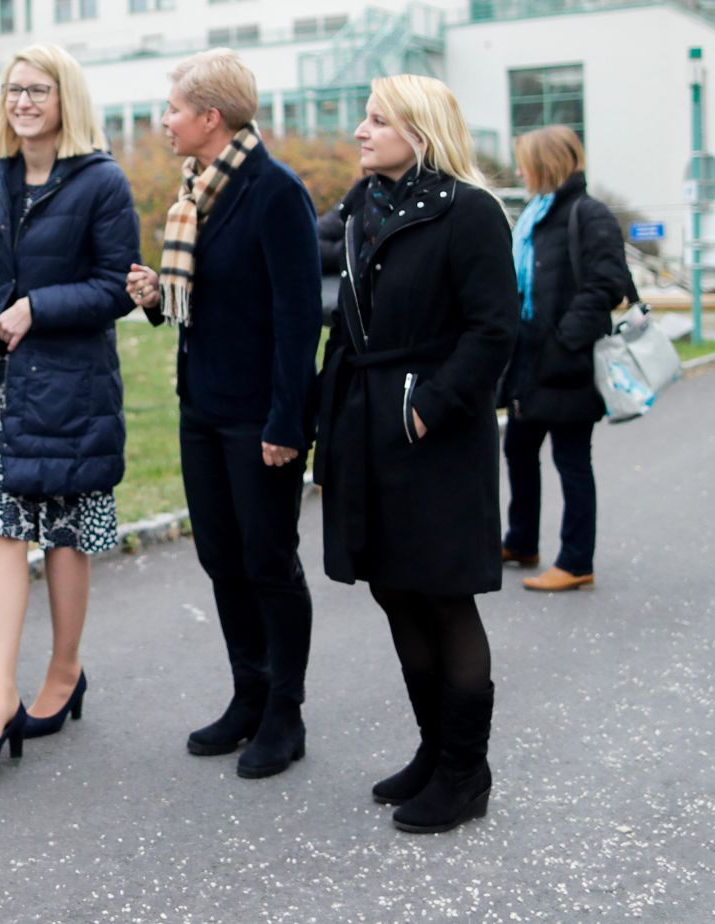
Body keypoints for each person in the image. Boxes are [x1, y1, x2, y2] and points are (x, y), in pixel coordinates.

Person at [314, 75, 518, 833]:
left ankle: (467, 773)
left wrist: (430, 406)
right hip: (368, 424)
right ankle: (436, 752)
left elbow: (494, 329)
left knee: (441, 594)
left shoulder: (471, 212)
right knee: (394, 588)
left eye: (376, 120)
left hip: (435, 433)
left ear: (420, 130)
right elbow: (345, 320)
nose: (360, 132)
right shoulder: (365, 204)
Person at [126, 49, 321, 779]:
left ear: (211, 117)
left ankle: (285, 713)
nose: (165, 121)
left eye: (173, 108)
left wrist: (285, 422)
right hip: (202, 407)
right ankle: (250, 693)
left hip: (257, 417)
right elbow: (210, 299)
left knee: (268, 561)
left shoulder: (275, 192)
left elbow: (299, 318)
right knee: (221, 558)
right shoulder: (196, 190)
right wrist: (157, 298)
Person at [0, 44, 136, 763]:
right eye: (13, 89)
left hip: (68, 385)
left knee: (62, 531)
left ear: (66, 100)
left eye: (37, 90)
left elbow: (116, 286)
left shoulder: (101, 182)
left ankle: (64, 670)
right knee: (0, 527)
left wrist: (36, 307)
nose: (22, 101)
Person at [501, 126, 631, 593]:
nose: (518, 170)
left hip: (565, 364)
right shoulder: (535, 215)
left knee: (572, 460)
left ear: (546, 162)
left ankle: (576, 561)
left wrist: (564, 341)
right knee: (517, 450)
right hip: (529, 362)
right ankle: (521, 541)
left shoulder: (587, 214)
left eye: (524, 161)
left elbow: (607, 284)